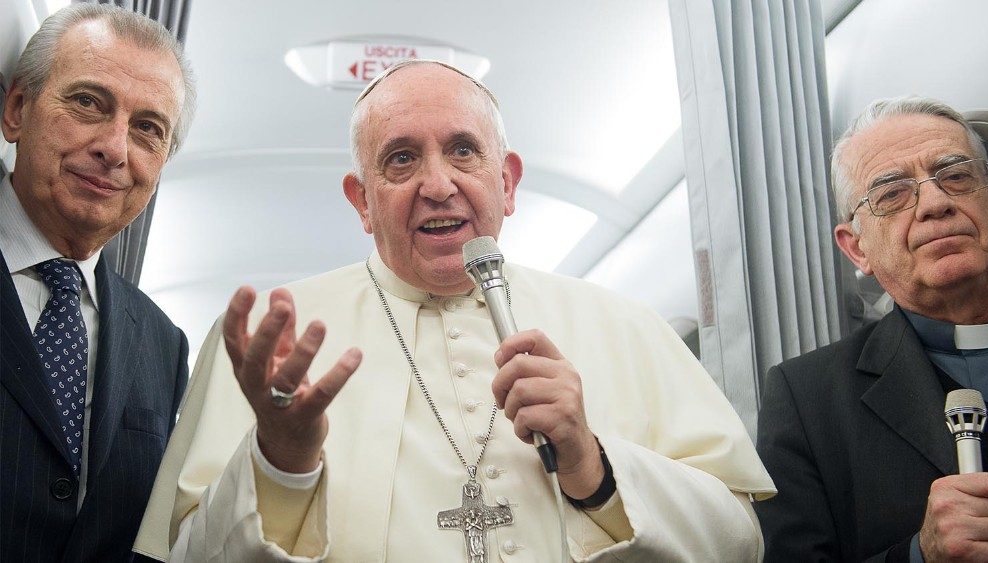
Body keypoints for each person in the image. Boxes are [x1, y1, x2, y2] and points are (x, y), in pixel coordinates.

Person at [136, 59, 775, 562]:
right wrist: (280, 461)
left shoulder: (628, 326)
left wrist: (594, 466)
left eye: (464, 150)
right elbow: (187, 554)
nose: (438, 184)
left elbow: (740, 542)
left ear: (508, 183)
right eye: (402, 158)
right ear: (360, 200)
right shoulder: (269, 341)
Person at [754, 96, 988, 562]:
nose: (934, 203)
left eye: (955, 175)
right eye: (891, 193)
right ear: (856, 250)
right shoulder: (808, 399)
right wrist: (919, 555)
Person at [0, 4, 195, 561]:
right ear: (17, 110)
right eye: (88, 103)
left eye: (147, 129)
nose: (115, 147)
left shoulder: (163, 341)